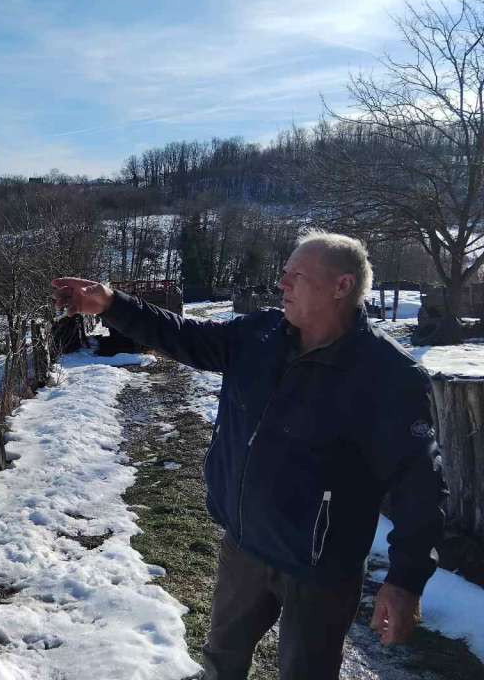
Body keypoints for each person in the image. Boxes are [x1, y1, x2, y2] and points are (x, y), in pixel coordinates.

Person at [52, 231, 446, 680]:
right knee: (221, 661)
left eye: (297, 276)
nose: (284, 285)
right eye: (284, 274)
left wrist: (405, 580)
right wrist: (112, 304)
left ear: (342, 286)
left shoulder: (389, 375)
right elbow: (185, 336)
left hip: (319, 569)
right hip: (244, 543)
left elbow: (420, 484)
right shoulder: (260, 335)